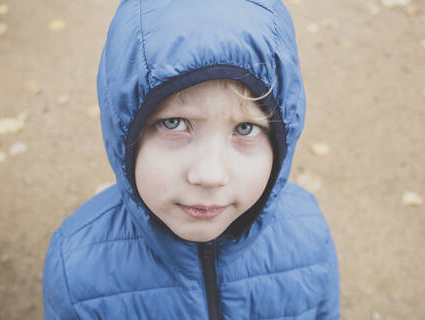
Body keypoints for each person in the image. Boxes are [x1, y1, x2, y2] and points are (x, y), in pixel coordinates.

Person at [42, 0, 340, 319]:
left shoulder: (309, 238)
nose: (209, 175)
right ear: (125, 129)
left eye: (245, 128)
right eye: (174, 123)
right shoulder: (76, 267)